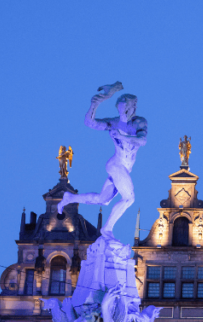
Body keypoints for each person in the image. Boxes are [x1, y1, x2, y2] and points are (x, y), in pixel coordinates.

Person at [57, 82, 147, 240]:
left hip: (124, 168)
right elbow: (90, 123)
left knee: (103, 199)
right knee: (129, 198)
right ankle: (107, 229)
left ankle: (69, 198)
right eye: (125, 108)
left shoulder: (138, 122)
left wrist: (122, 136)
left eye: (130, 108)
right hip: (116, 165)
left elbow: (142, 140)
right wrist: (94, 105)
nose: (129, 111)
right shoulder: (114, 123)